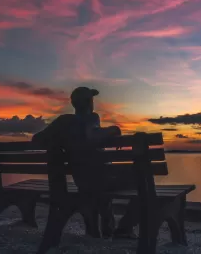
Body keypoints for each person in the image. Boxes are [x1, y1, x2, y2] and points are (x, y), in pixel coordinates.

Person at [32, 87, 137, 239]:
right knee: (142, 178)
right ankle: (125, 227)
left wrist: (58, 144)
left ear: (74, 104)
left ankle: (99, 230)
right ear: (89, 102)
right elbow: (91, 135)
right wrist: (113, 129)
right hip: (100, 180)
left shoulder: (62, 122)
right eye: (92, 100)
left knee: (98, 185)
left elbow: (36, 140)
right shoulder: (92, 117)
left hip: (81, 181)